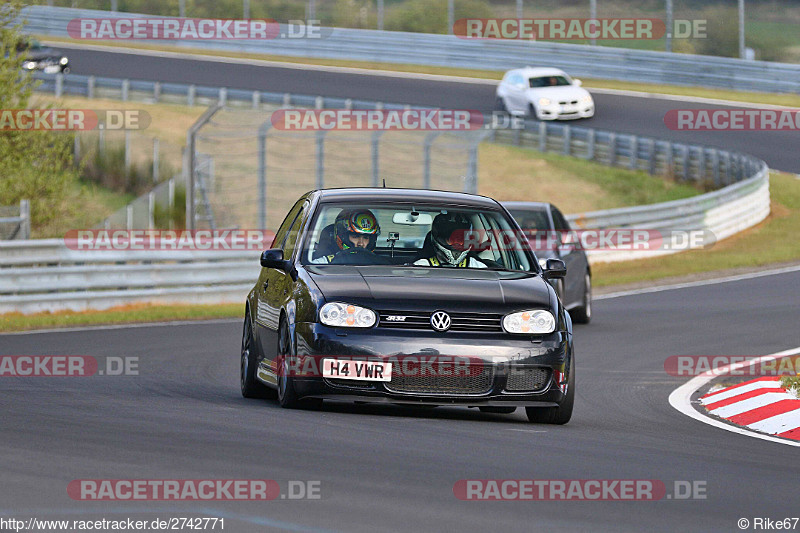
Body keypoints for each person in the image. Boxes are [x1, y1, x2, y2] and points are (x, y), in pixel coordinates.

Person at [414, 213, 489, 268]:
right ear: (440, 239)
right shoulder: (422, 266)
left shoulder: (476, 266)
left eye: (460, 239)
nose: (456, 243)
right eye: (452, 239)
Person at [312, 209, 383, 264]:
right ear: (342, 236)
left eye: (366, 238)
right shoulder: (323, 263)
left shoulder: (381, 264)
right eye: (355, 236)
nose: (361, 243)